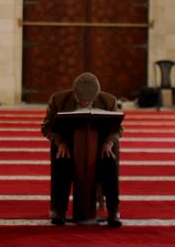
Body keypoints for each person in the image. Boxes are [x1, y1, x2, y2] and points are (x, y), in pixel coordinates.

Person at [41, 72, 122, 227]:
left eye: (89, 101)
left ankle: (113, 210)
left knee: (110, 164)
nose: (85, 103)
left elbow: (118, 129)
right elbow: (47, 127)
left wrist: (108, 143)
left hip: (100, 148)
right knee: (61, 161)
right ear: (74, 94)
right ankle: (59, 210)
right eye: (81, 100)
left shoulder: (108, 100)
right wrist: (61, 143)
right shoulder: (59, 100)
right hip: (68, 146)